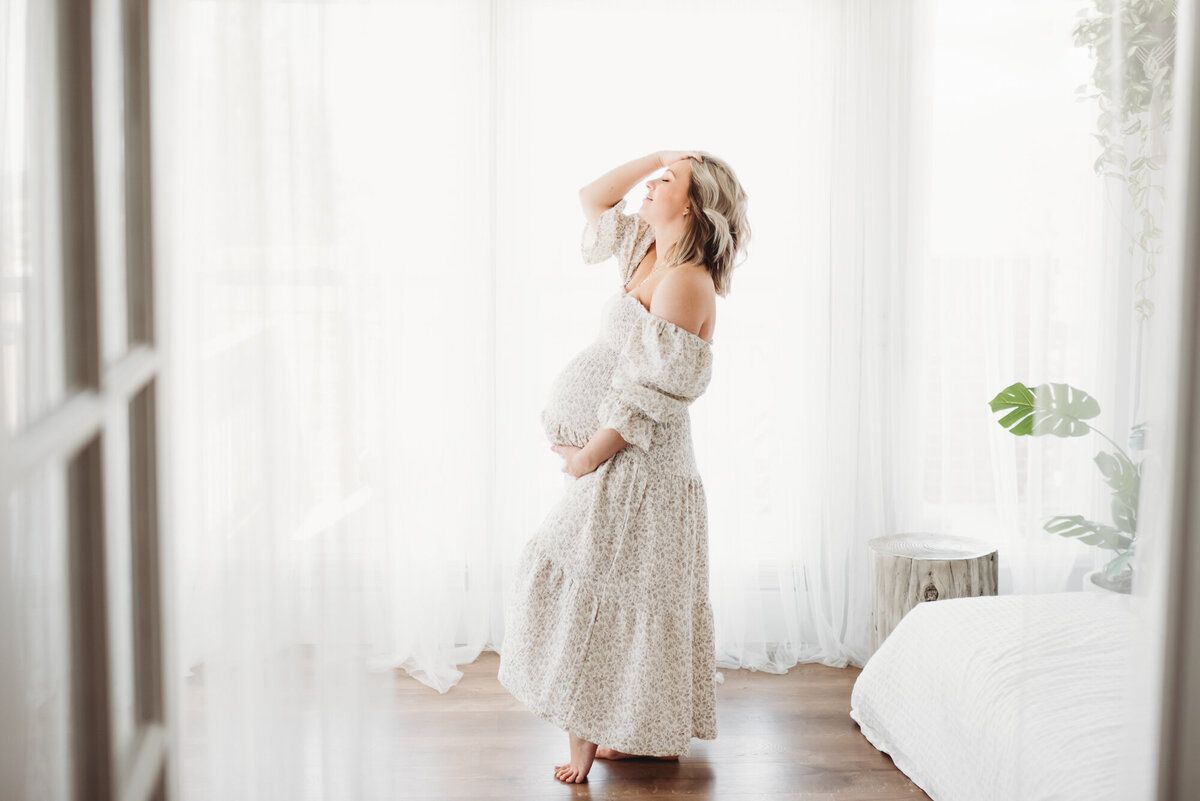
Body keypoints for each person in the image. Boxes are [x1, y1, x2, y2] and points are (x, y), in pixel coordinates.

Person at [497, 149, 751, 784]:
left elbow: (647, 396)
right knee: (604, 587)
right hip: (622, 461)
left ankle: (588, 746)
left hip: (642, 468)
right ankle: (636, 734)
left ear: (690, 205)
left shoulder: (686, 279)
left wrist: (587, 455)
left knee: (602, 593)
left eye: (665, 183)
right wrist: (661, 156)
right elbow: (592, 198)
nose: (649, 186)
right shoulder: (645, 248)